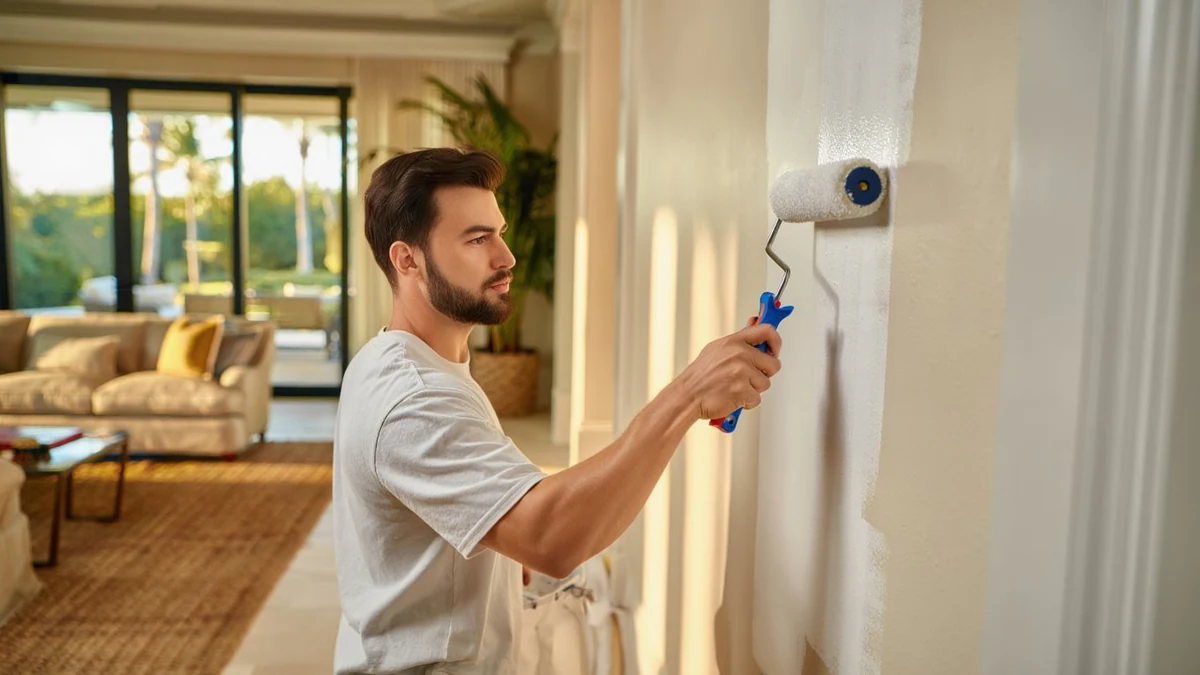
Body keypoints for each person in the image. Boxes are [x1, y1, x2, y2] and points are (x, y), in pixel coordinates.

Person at [332, 147, 783, 675]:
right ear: (406, 259)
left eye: (498, 232)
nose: (506, 257)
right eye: (477, 239)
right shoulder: (414, 398)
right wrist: (687, 395)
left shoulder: (410, 359)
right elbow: (551, 539)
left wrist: (498, 542)